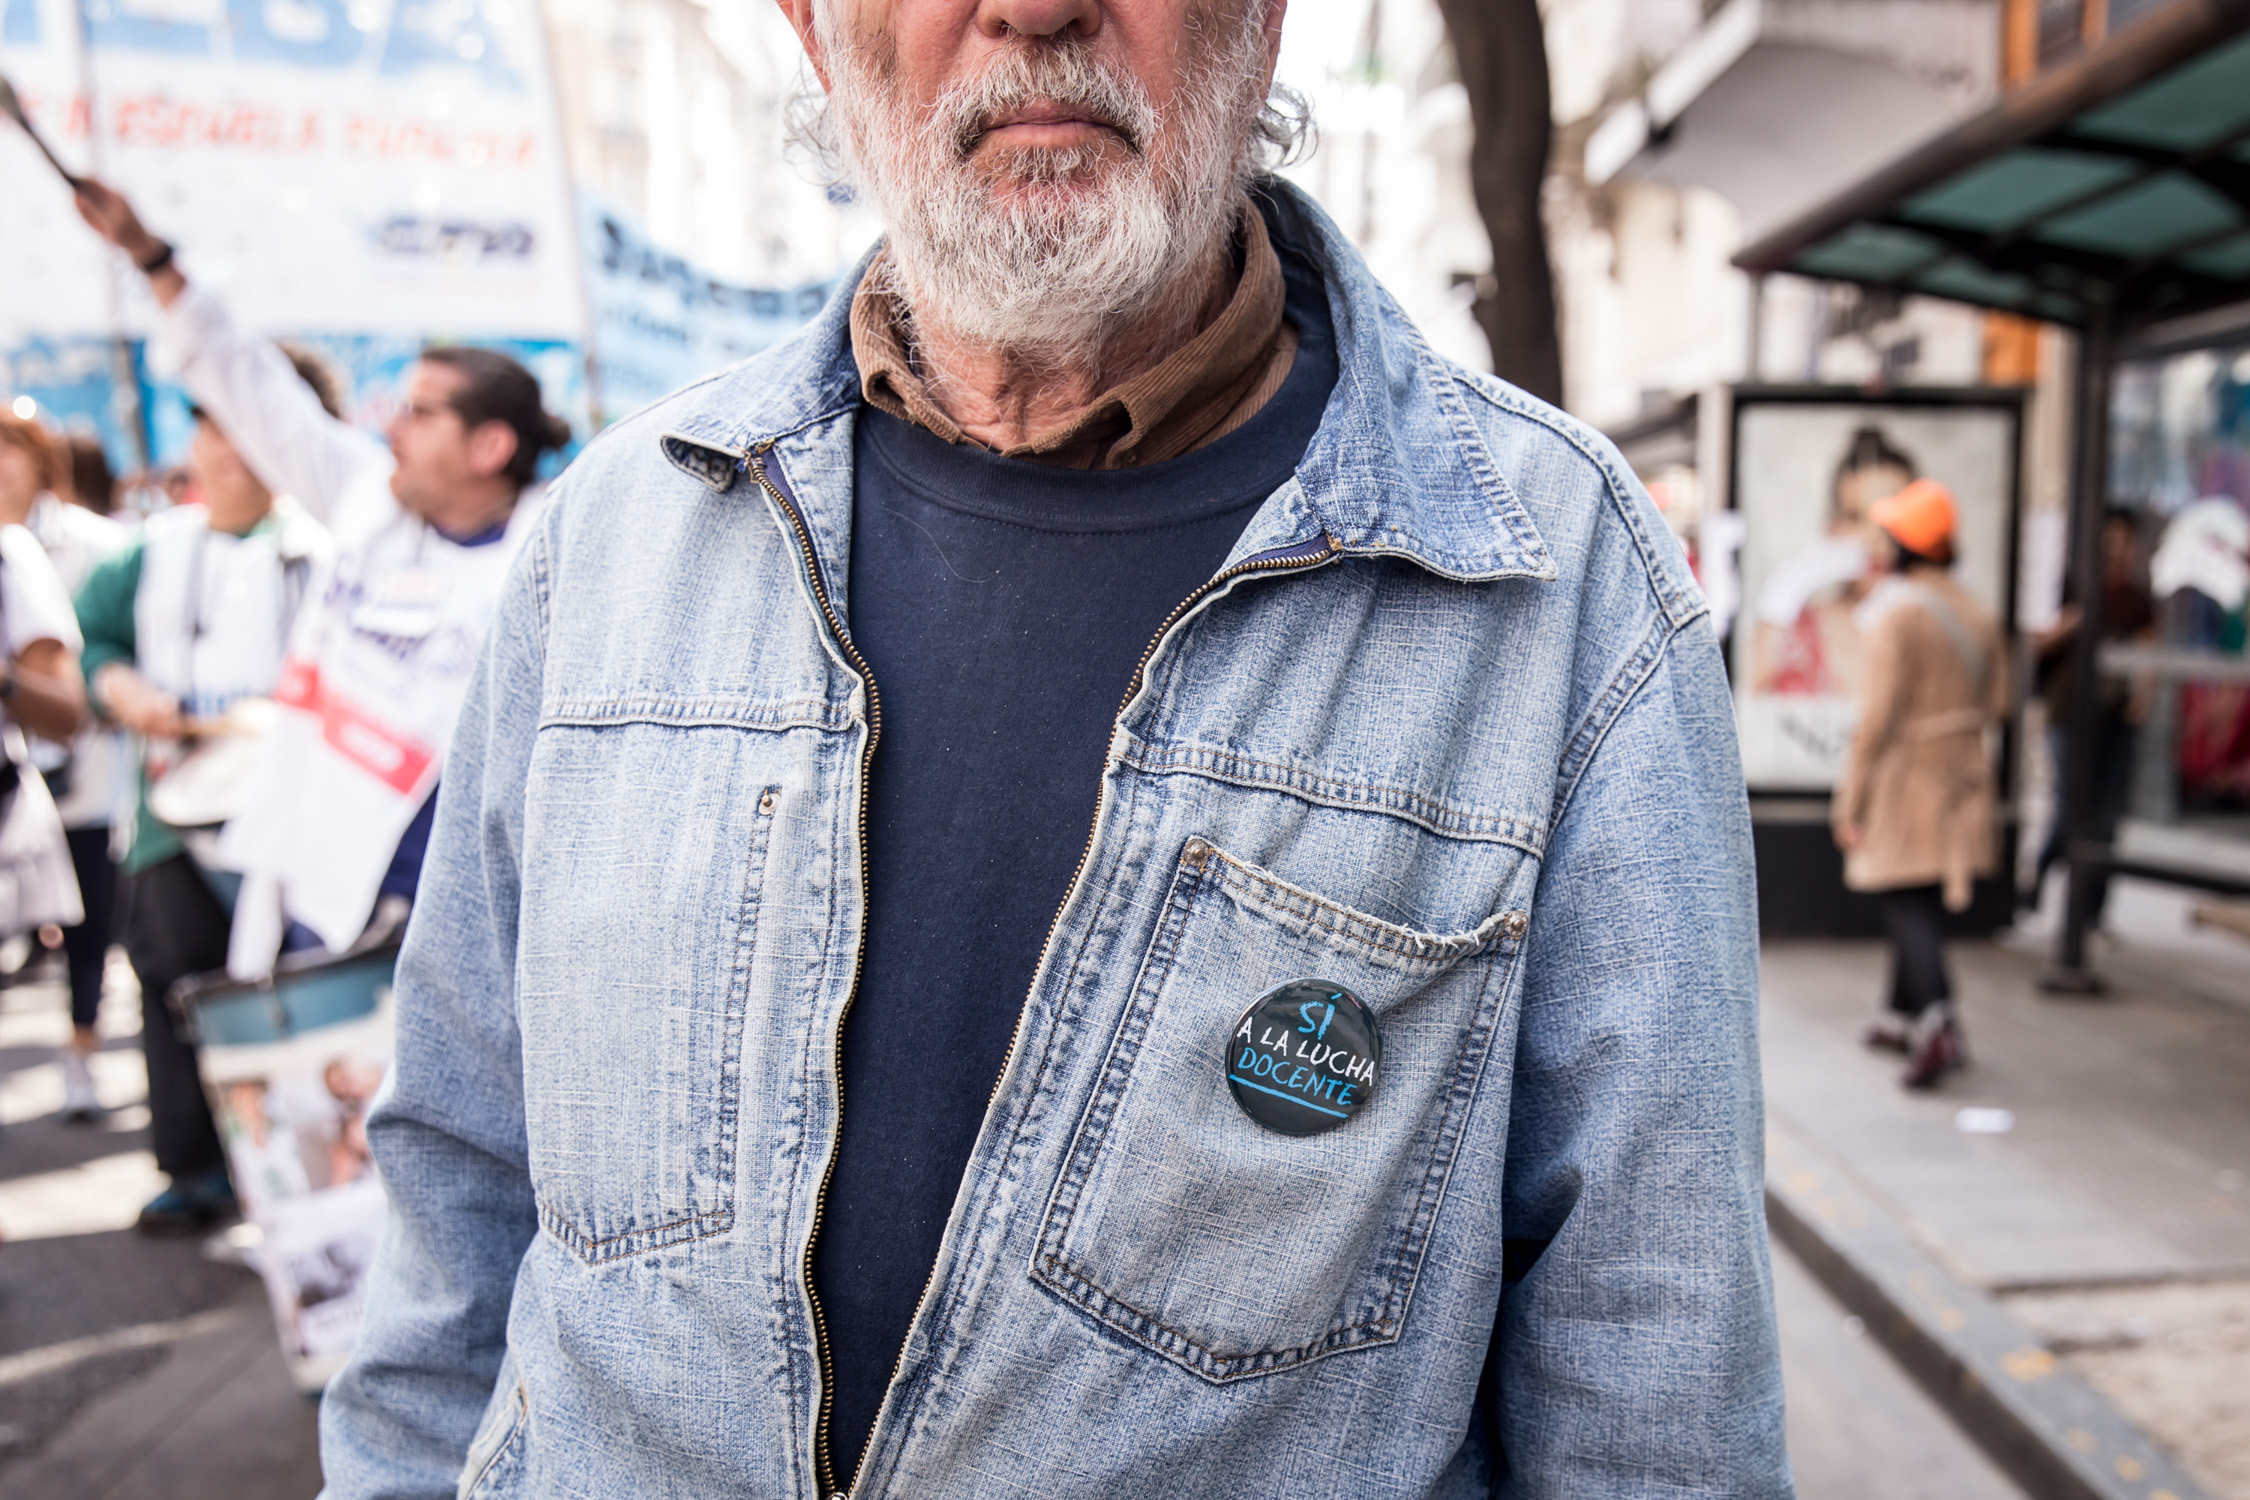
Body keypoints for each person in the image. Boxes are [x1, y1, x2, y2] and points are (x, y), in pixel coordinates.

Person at [320, 0, 1789, 1494]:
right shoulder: (618, 537)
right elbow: (459, 1186)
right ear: (815, 30)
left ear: (1265, 20)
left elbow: (1650, 1365)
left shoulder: (1555, 578)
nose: (1031, 9)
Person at [72, 181, 570, 977]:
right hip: (309, 883)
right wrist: (149, 254)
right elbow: (249, 383)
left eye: (421, 413)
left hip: (446, 924)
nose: (389, 428)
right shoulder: (368, 499)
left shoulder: (553, 566)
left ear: (489, 448)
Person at [73, 379, 334, 1232]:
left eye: (246, 424)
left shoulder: (323, 551)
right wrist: (119, 686)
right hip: (169, 813)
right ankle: (195, 1167)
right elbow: (92, 640)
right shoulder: (148, 552)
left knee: (290, 983)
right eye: (211, 429)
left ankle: (309, 1170)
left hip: (292, 813)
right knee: (172, 983)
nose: (225, 449)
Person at [1834, 479, 2007, 1089]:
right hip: (1962, 776)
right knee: (1920, 894)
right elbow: (1999, 700)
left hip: (1907, 776)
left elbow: (1876, 717)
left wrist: (1849, 800)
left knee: (1906, 899)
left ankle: (1937, 1021)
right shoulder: (1976, 611)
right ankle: (1896, 1015)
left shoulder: (1899, 613)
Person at [0, 411, 103, 1113]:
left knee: (95, 931)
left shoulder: (14, 556)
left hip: (61, 798)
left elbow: (68, 711)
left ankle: (83, 1050)